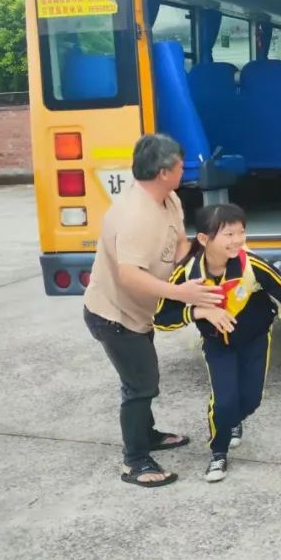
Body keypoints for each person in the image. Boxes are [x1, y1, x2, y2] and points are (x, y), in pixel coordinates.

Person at [155, 203, 281, 482]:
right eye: (228, 234)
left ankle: (233, 421)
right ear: (205, 239)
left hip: (255, 340)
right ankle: (218, 453)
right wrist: (199, 310)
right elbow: (162, 317)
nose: (237, 240)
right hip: (217, 344)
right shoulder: (188, 274)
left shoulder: (251, 266)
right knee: (224, 401)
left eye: (241, 232)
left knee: (251, 399)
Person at [83, 134, 230, 488]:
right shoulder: (134, 215)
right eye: (180, 165)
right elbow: (129, 276)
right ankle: (134, 461)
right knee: (140, 386)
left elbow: (178, 244)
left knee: (144, 379)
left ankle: (147, 435)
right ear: (165, 171)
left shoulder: (169, 200)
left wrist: (205, 260)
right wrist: (180, 292)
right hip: (114, 316)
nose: (184, 169)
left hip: (138, 312)